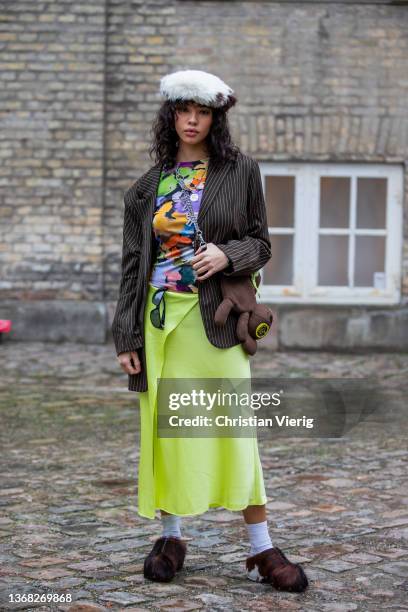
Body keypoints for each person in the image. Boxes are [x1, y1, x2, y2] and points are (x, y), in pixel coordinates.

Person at [111, 69, 308, 592]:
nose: (192, 120)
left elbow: (261, 243)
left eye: (203, 112)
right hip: (160, 324)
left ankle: (262, 548)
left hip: (215, 323)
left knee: (233, 434)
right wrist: (126, 338)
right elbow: (132, 265)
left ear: (216, 118)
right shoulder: (146, 187)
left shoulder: (240, 171)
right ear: (171, 115)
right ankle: (171, 537)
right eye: (183, 110)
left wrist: (227, 254)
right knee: (167, 435)